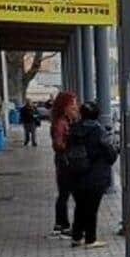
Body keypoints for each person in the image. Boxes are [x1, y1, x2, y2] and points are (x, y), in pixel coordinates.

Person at [66, 101, 117, 248]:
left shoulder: (74, 129)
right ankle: (90, 239)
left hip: (76, 174)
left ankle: (76, 237)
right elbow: (110, 154)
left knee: (80, 206)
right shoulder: (98, 131)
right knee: (91, 209)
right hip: (96, 176)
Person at [49, 91, 79, 237]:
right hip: (65, 162)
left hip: (64, 161)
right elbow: (58, 144)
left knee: (64, 194)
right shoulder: (62, 123)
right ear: (64, 106)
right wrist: (71, 142)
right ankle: (63, 225)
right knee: (67, 193)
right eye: (72, 104)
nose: (75, 107)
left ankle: (61, 224)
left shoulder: (66, 121)